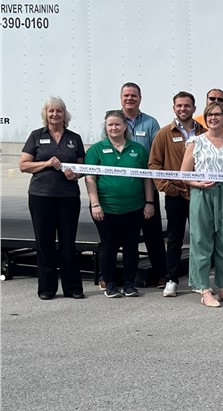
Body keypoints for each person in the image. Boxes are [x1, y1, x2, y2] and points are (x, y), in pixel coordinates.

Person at [180, 102, 223, 308]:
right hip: (202, 193)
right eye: (210, 114)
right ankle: (203, 288)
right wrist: (197, 183)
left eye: (218, 114)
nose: (213, 118)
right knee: (201, 240)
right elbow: (183, 174)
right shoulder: (196, 142)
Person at [19, 97, 86, 300]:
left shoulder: (74, 138)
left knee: (68, 242)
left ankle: (73, 287)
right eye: (51, 111)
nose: (55, 114)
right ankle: (47, 288)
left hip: (68, 197)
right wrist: (46, 163)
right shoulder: (36, 136)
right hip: (41, 196)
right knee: (44, 242)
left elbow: (82, 167)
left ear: (65, 114)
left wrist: (75, 174)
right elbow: (24, 165)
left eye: (59, 111)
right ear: (45, 114)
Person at [84, 110, 155, 299]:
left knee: (131, 246)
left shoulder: (138, 150)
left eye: (117, 124)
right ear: (105, 128)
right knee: (109, 246)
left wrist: (149, 202)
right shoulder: (96, 150)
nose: (113, 128)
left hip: (134, 207)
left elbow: (147, 179)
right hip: (106, 208)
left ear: (125, 127)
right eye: (110, 125)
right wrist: (95, 204)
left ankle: (129, 284)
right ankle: (110, 283)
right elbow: (90, 178)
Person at [148, 91, 206, 297]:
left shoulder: (204, 133)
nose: (183, 109)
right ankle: (171, 279)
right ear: (174, 108)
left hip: (201, 194)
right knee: (175, 238)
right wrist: (167, 187)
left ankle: (200, 280)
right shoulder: (164, 134)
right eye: (179, 106)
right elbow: (154, 164)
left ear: (194, 108)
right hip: (176, 196)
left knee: (201, 238)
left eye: (187, 106)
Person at [119, 82, 168, 288]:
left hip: (146, 188)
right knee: (118, 234)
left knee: (153, 234)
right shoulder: (113, 121)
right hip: (121, 189)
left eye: (134, 96)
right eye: (126, 95)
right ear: (121, 98)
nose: (130, 99)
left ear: (140, 98)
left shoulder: (150, 123)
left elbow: (158, 153)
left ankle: (162, 274)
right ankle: (112, 275)